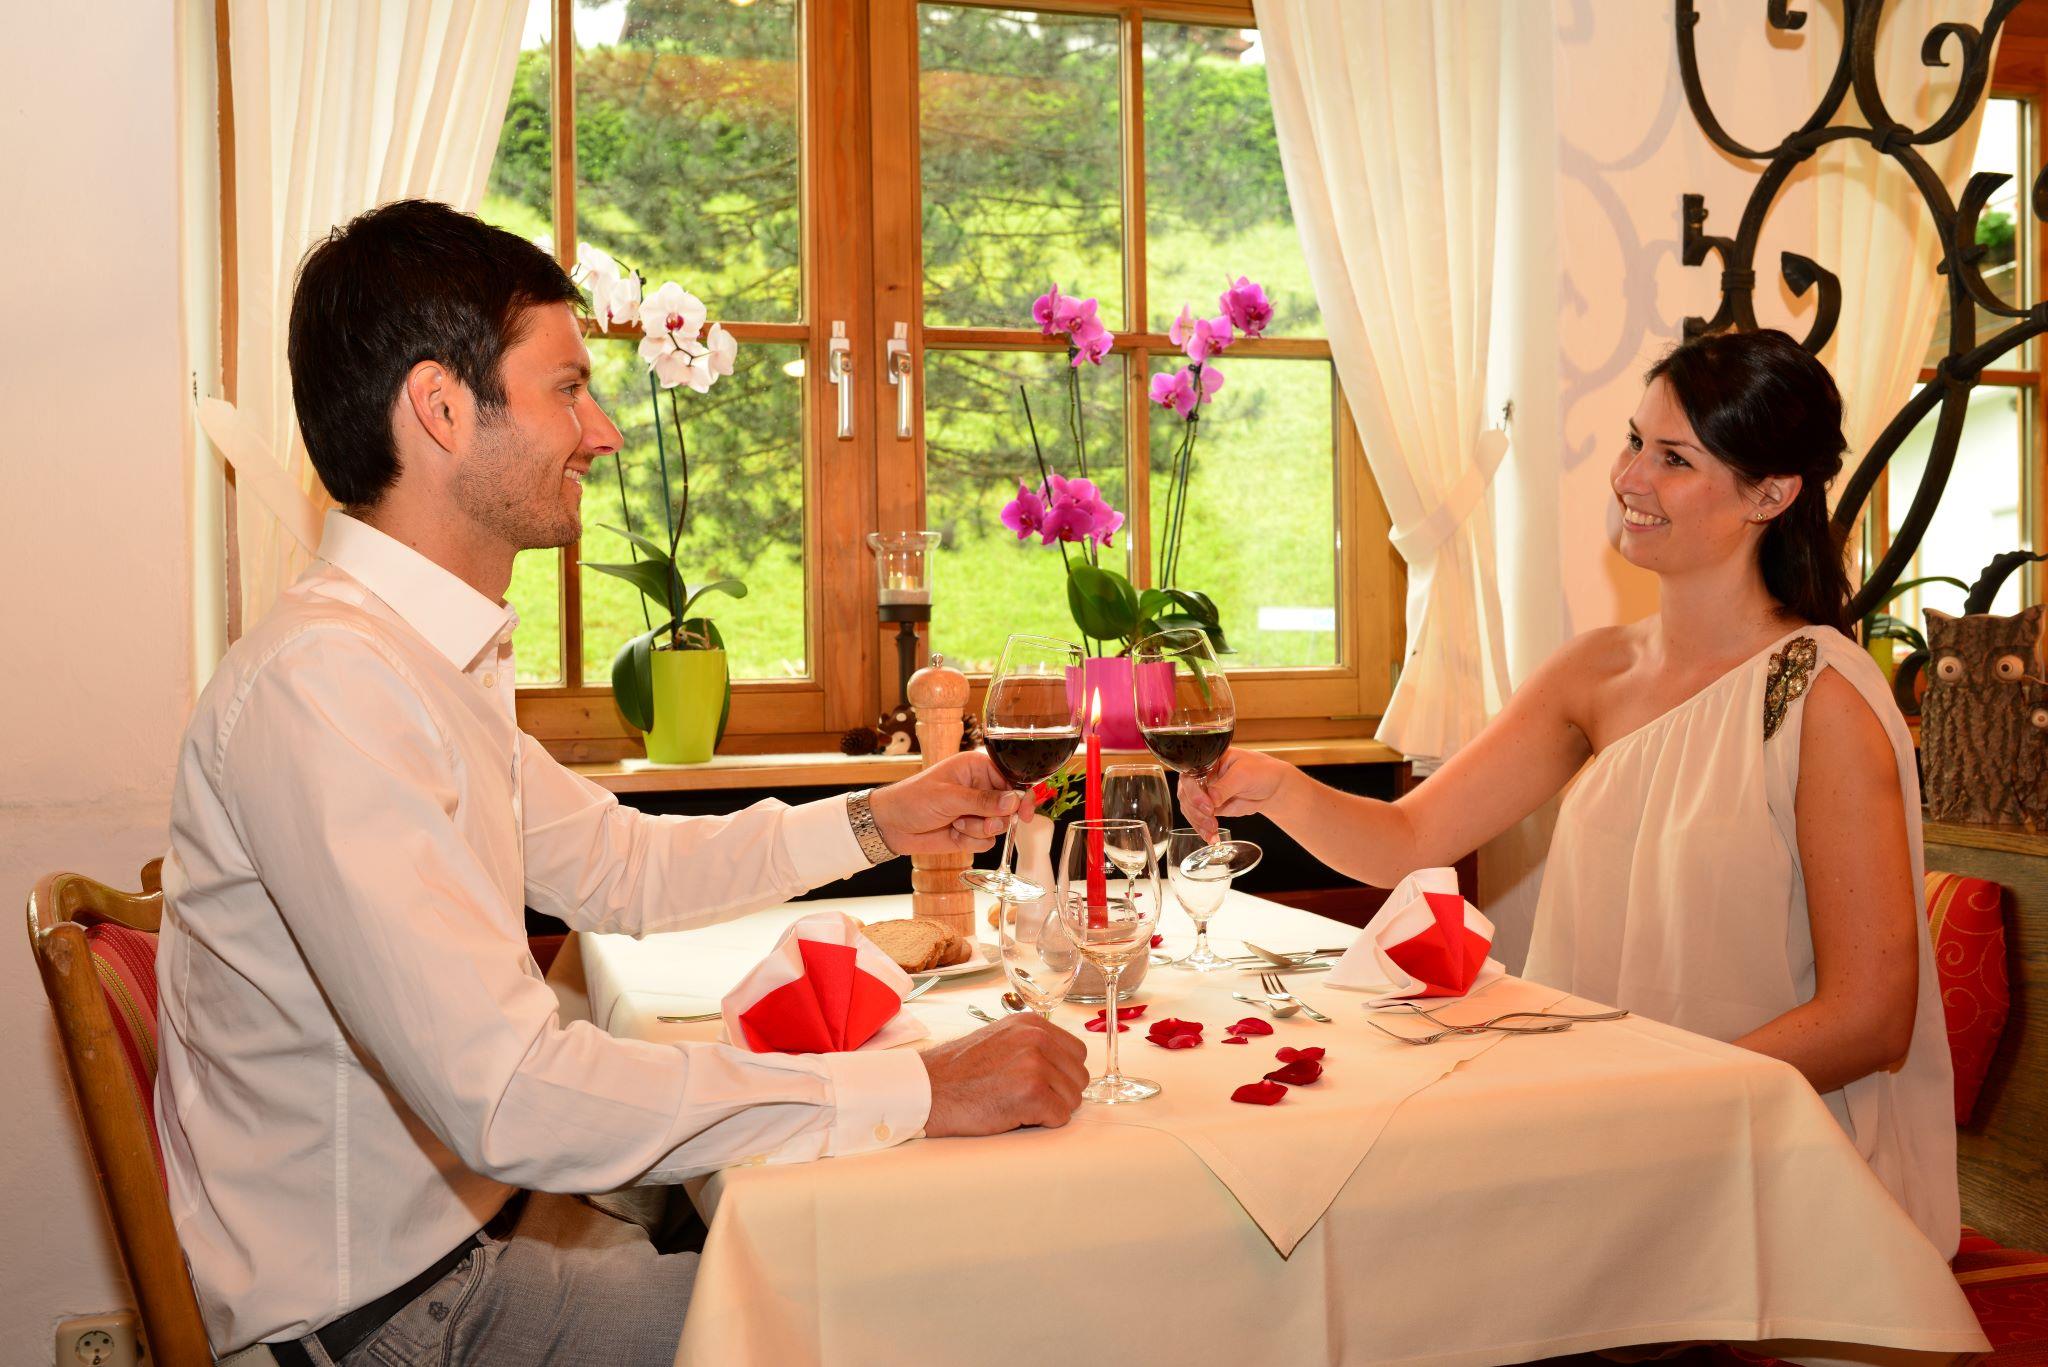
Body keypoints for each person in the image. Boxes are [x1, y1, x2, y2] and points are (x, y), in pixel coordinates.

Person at [158, 199, 1088, 1366]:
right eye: (566, 388)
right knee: (939, 1319)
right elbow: (512, 1095)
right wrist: (917, 1086)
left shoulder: (405, 661)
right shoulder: (327, 689)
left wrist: (878, 818)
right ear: (441, 407)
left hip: (464, 1252)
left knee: (899, 1270)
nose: (599, 433)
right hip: (396, 1323)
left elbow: (621, 865)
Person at [1182, 328, 1957, 1257]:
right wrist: (1276, 786)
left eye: (1674, 459)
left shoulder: (1819, 697)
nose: (1630, 477)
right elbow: (1407, 839)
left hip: (1775, 1159)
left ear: (1772, 493)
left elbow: (1872, 1018)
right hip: (1616, 1139)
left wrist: (1656, 1097)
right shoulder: (1597, 671)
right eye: (1635, 442)